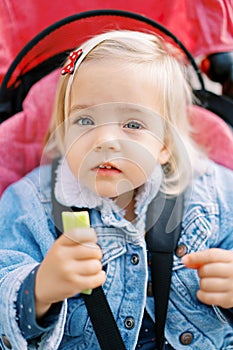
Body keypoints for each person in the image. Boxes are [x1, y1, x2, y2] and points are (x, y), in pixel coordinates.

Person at [0, 30, 233, 350]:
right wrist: (37, 290)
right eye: (84, 120)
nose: (104, 140)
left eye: (133, 125)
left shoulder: (215, 196)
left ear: (165, 145)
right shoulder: (30, 203)